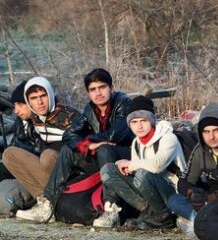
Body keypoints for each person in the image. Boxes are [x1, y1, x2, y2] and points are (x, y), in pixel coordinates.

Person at [60, 68, 135, 227]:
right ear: (88, 93)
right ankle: (49, 201)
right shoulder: (90, 110)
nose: (98, 93)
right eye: (93, 89)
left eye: (102, 87)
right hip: (105, 156)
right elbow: (68, 134)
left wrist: (93, 141)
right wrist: (86, 144)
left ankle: (111, 209)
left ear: (111, 88)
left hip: (128, 154)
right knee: (68, 150)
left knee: (104, 149)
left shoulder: (123, 102)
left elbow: (116, 134)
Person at [99, 95, 186, 230]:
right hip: (150, 191)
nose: (139, 126)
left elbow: (156, 166)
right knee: (108, 171)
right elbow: (137, 169)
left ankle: (164, 217)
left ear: (151, 120)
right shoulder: (136, 143)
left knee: (142, 174)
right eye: (134, 122)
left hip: (173, 192)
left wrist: (131, 164)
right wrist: (125, 167)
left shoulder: (168, 137)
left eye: (143, 120)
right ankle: (148, 212)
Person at [168, 102, 218, 237]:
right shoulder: (199, 151)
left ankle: (200, 223)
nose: (211, 137)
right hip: (209, 200)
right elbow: (184, 180)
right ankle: (202, 221)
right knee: (174, 200)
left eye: (216, 130)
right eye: (206, 132)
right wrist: (191, 193)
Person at [6, 76, 80, 222]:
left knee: (47, 155)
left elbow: (78, 149)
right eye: (34, 98)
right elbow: (19, 145)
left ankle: (52, 203)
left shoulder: (69, 115)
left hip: (71, 171)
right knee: (9, 155)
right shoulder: (29, 121)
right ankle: (44, 202)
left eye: (43, 96)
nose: (39, 102)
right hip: (46, 174)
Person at [0, 81, 43, 214]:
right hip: (18, 170)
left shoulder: (46, 123)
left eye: (20, 105)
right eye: (14, 106)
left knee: (5, 198)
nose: (16, 110)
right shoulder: (21, 122)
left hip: (35, 177)